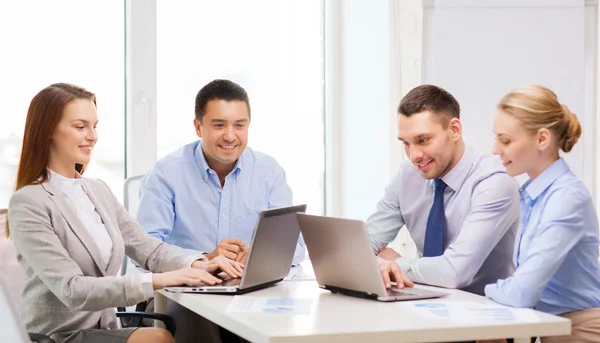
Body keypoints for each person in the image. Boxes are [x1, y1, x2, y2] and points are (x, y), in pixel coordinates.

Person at [6, 83, 243, 343]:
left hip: (105, 328)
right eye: (80, 126)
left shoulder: (97, 191)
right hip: (59, 335)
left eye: (94, 126)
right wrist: (161, 280)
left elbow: (149, 250)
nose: (93, 136)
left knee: (189, 329)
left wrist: (201, 264)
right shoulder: (28, 202)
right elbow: (72, 289)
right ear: (48, 130)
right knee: (159, 339)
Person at [368, 84, 519, 295]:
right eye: (406, 143)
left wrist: (397, 263)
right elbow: (368, 242)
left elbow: (454, 273)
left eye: (423, 140)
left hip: (487, 312)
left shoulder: (493, 183)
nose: (414, 155)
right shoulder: (408, 175)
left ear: (454, 129)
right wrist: (376, 263)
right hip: (425, 302)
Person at [137, 79, 305, 265]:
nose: (230, 136)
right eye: (219, 125)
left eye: (239, 125)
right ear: (198, 127)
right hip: (189, 287)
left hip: (252, 288)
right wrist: (204, 259)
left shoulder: (269, 172)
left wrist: (259, 254)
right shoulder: (166, 174)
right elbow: (145, 250)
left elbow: (295, 245)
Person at [484, 85, 600, 343]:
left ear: (542, 139)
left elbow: (522, 291)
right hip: (549, 326)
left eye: (505, 140)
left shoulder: (566, 198)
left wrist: (483, 289)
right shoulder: (533, 195)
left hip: (579, 330)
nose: (495, 149)